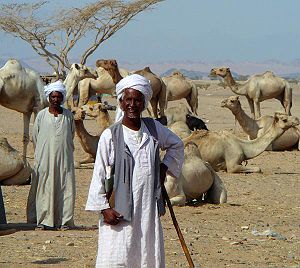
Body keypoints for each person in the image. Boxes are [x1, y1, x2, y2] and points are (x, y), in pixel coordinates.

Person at [86, 74, 184, 267]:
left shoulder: (153, 129)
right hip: (118, 210)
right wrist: (105, 208)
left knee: (145, 254)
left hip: (147, 207)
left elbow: (177, 145)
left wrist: (163, 168)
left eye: (137, 100)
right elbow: (98, 174)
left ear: (144, 103)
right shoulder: (110, 135)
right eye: (128, 99)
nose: (132, 104)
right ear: (121, 103)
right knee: (117, 254)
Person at [26, 80, 76, 230]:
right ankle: (43, 221)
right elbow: (35, 136)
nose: (55, 100)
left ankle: (64, 221)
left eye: (58, 97)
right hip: (44, 160)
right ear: (49, 97)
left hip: (64, 160)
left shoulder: (68, 116)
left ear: (62, 98)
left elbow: (71, 135)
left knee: (65, 188)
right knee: (43, 187)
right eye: (53, 97)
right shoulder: (41, 115)